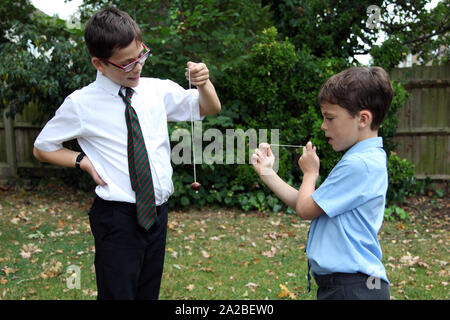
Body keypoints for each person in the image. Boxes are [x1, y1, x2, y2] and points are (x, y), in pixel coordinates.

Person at [33, 7, 221, 300]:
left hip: (158, 214)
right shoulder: (81, 104)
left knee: (148, 293)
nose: (137, 67)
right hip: (117, 219)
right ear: (99, 63)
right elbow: (42, 147)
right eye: (126, 63)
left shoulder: (156, 91)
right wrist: (81, 161)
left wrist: (204, 83)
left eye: (141, 55)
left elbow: (208, 108)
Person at [251, 66, 393, 300]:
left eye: (330, 118)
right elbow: (309, 204)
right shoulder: (365, 160)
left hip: (353, 288)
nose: (323, 126)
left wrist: (310, 173)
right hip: (352, 286)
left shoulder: (359, 165)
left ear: (363, 118)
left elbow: (306, 209)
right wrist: (268, 173)